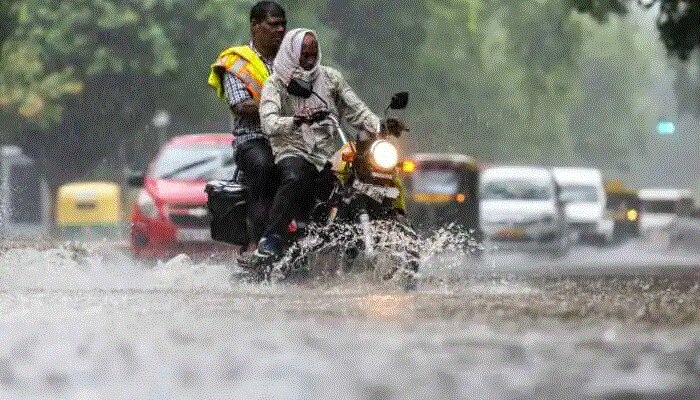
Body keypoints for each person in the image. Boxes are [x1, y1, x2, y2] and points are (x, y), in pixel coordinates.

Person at [253, 28, 403, 263]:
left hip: (330, 152)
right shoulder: (276, 83)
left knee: (362, 181)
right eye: (305, 53)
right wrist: (297, 120)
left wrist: (380, 126)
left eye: (314, 52)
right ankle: (272, 238)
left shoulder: (331, 78)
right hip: (293, 148)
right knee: (295, 178)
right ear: (292, 53)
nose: (311, 57)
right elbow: (269, 123)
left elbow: (356, 110)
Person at [207, 1, 286, 258]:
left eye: (283, 25)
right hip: (254, 139)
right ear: (255, 25)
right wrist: (281, 105)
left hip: (293, 137)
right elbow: (241, 105)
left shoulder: (295, 59)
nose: (280, 30)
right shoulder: (236, 63)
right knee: (263, 167)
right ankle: (256, 241)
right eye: (273, 25)